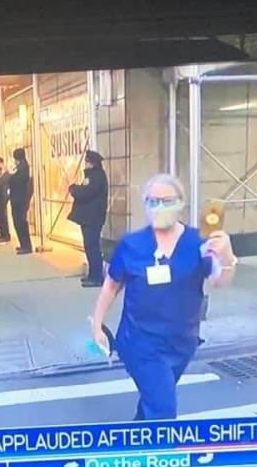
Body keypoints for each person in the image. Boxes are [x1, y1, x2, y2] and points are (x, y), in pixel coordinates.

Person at [90, 174, 237, 421]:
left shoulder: (199, 242)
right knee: (163, 409)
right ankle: (159, 456)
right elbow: (111, 285)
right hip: (140, 342)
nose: (159, 207)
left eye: (167, 201)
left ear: (181, 203)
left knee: (154, 400)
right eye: (152, 201)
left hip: (181, 342)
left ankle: (136, 440)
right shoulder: (132, 244)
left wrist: (227, 255)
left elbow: (218, 281)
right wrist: (97, 326)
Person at [68, 150, 109, 287]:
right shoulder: (93, 176)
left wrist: (73, 189)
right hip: (88, 217)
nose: (84, 163)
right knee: (89, 246)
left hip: (93, 218)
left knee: (92, 246)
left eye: (86, 161)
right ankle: (93, 274)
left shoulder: (96, 177)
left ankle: (97, 277)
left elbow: (85, 193)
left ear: (91, 163)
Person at [9, 147, 33, 254]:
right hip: (17, 199)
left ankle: (26, 246)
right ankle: (23, 244)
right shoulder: (21, 167)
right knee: (18, 222)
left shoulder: (23, 168)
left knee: (20, 223)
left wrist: (10, 175)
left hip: (20, 200)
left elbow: (15, 180)